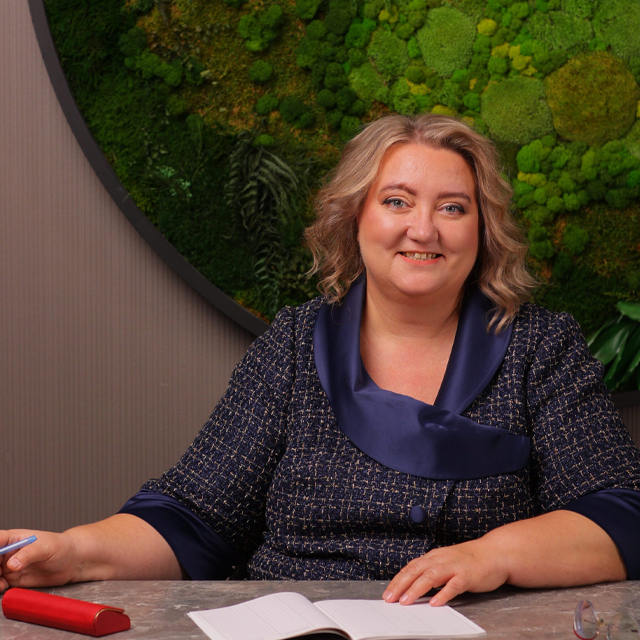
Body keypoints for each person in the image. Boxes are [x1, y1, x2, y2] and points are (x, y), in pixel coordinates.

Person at [2, 114, 640, 606]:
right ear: (354, 217)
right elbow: (193, 515)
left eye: (453, 207)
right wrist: (72, 550)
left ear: (484, 229)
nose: (424, 229)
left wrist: (489, 555)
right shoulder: (293, 342)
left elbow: (620, 518)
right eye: (397, 201)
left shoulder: (542, 347)